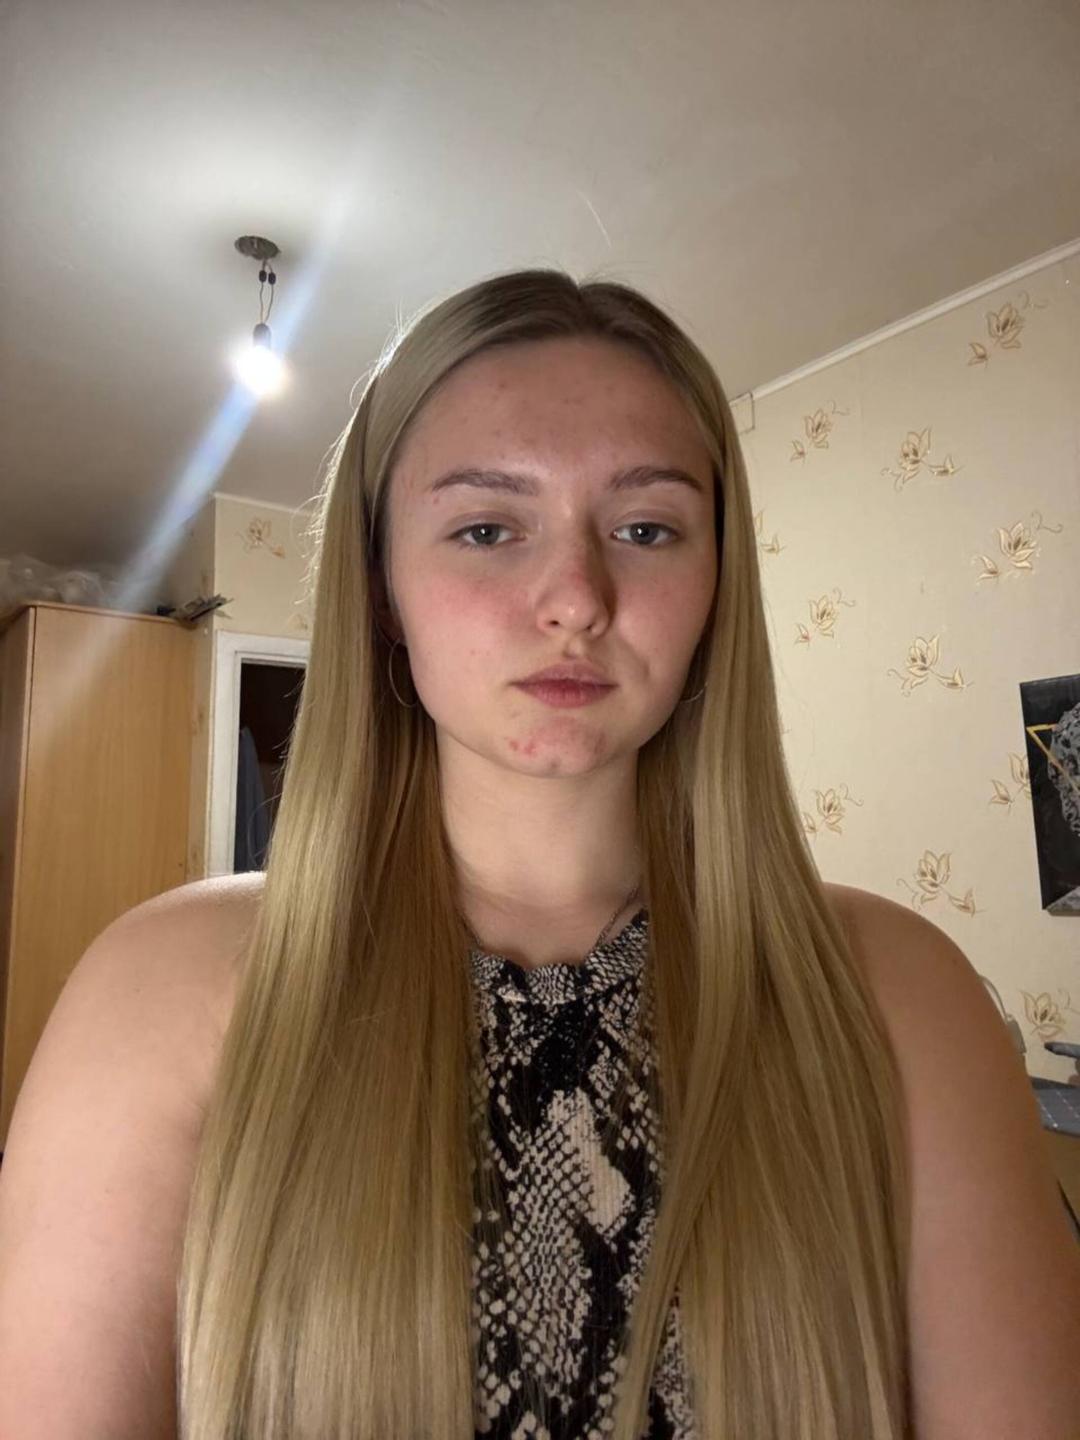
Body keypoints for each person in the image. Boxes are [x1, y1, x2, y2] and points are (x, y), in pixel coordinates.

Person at [1, 269, 1077, 1439]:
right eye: (486, 528)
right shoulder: (159, 997)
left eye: (646, 529)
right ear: (382, 589)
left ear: (717, 583)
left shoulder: (902, 999)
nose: (575, 598)